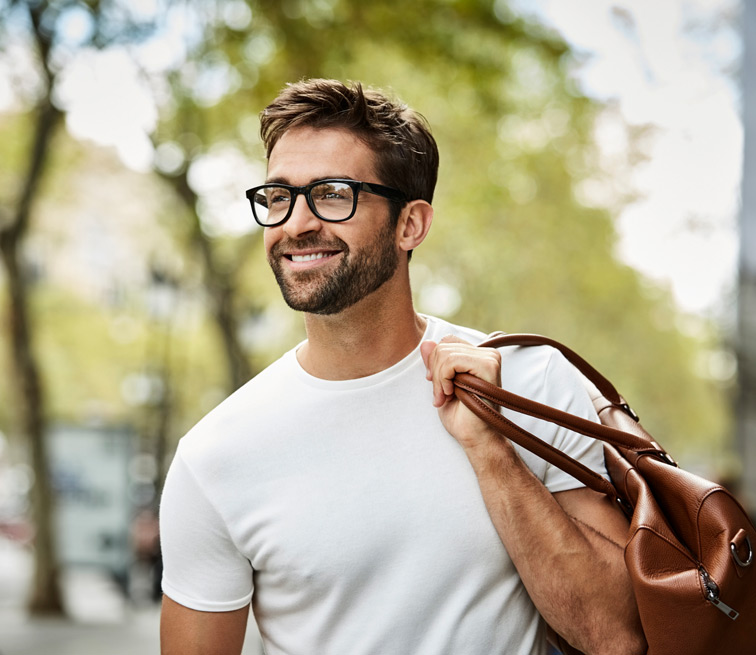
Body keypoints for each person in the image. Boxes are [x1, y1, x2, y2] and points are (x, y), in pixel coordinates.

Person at [159, 78, 646, 655]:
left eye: (333, 194)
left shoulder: (529, 380)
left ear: (410, 224)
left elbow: (618, 637)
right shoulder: (215, 456)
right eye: (278, 196)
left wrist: (493, 451)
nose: (295, 224)